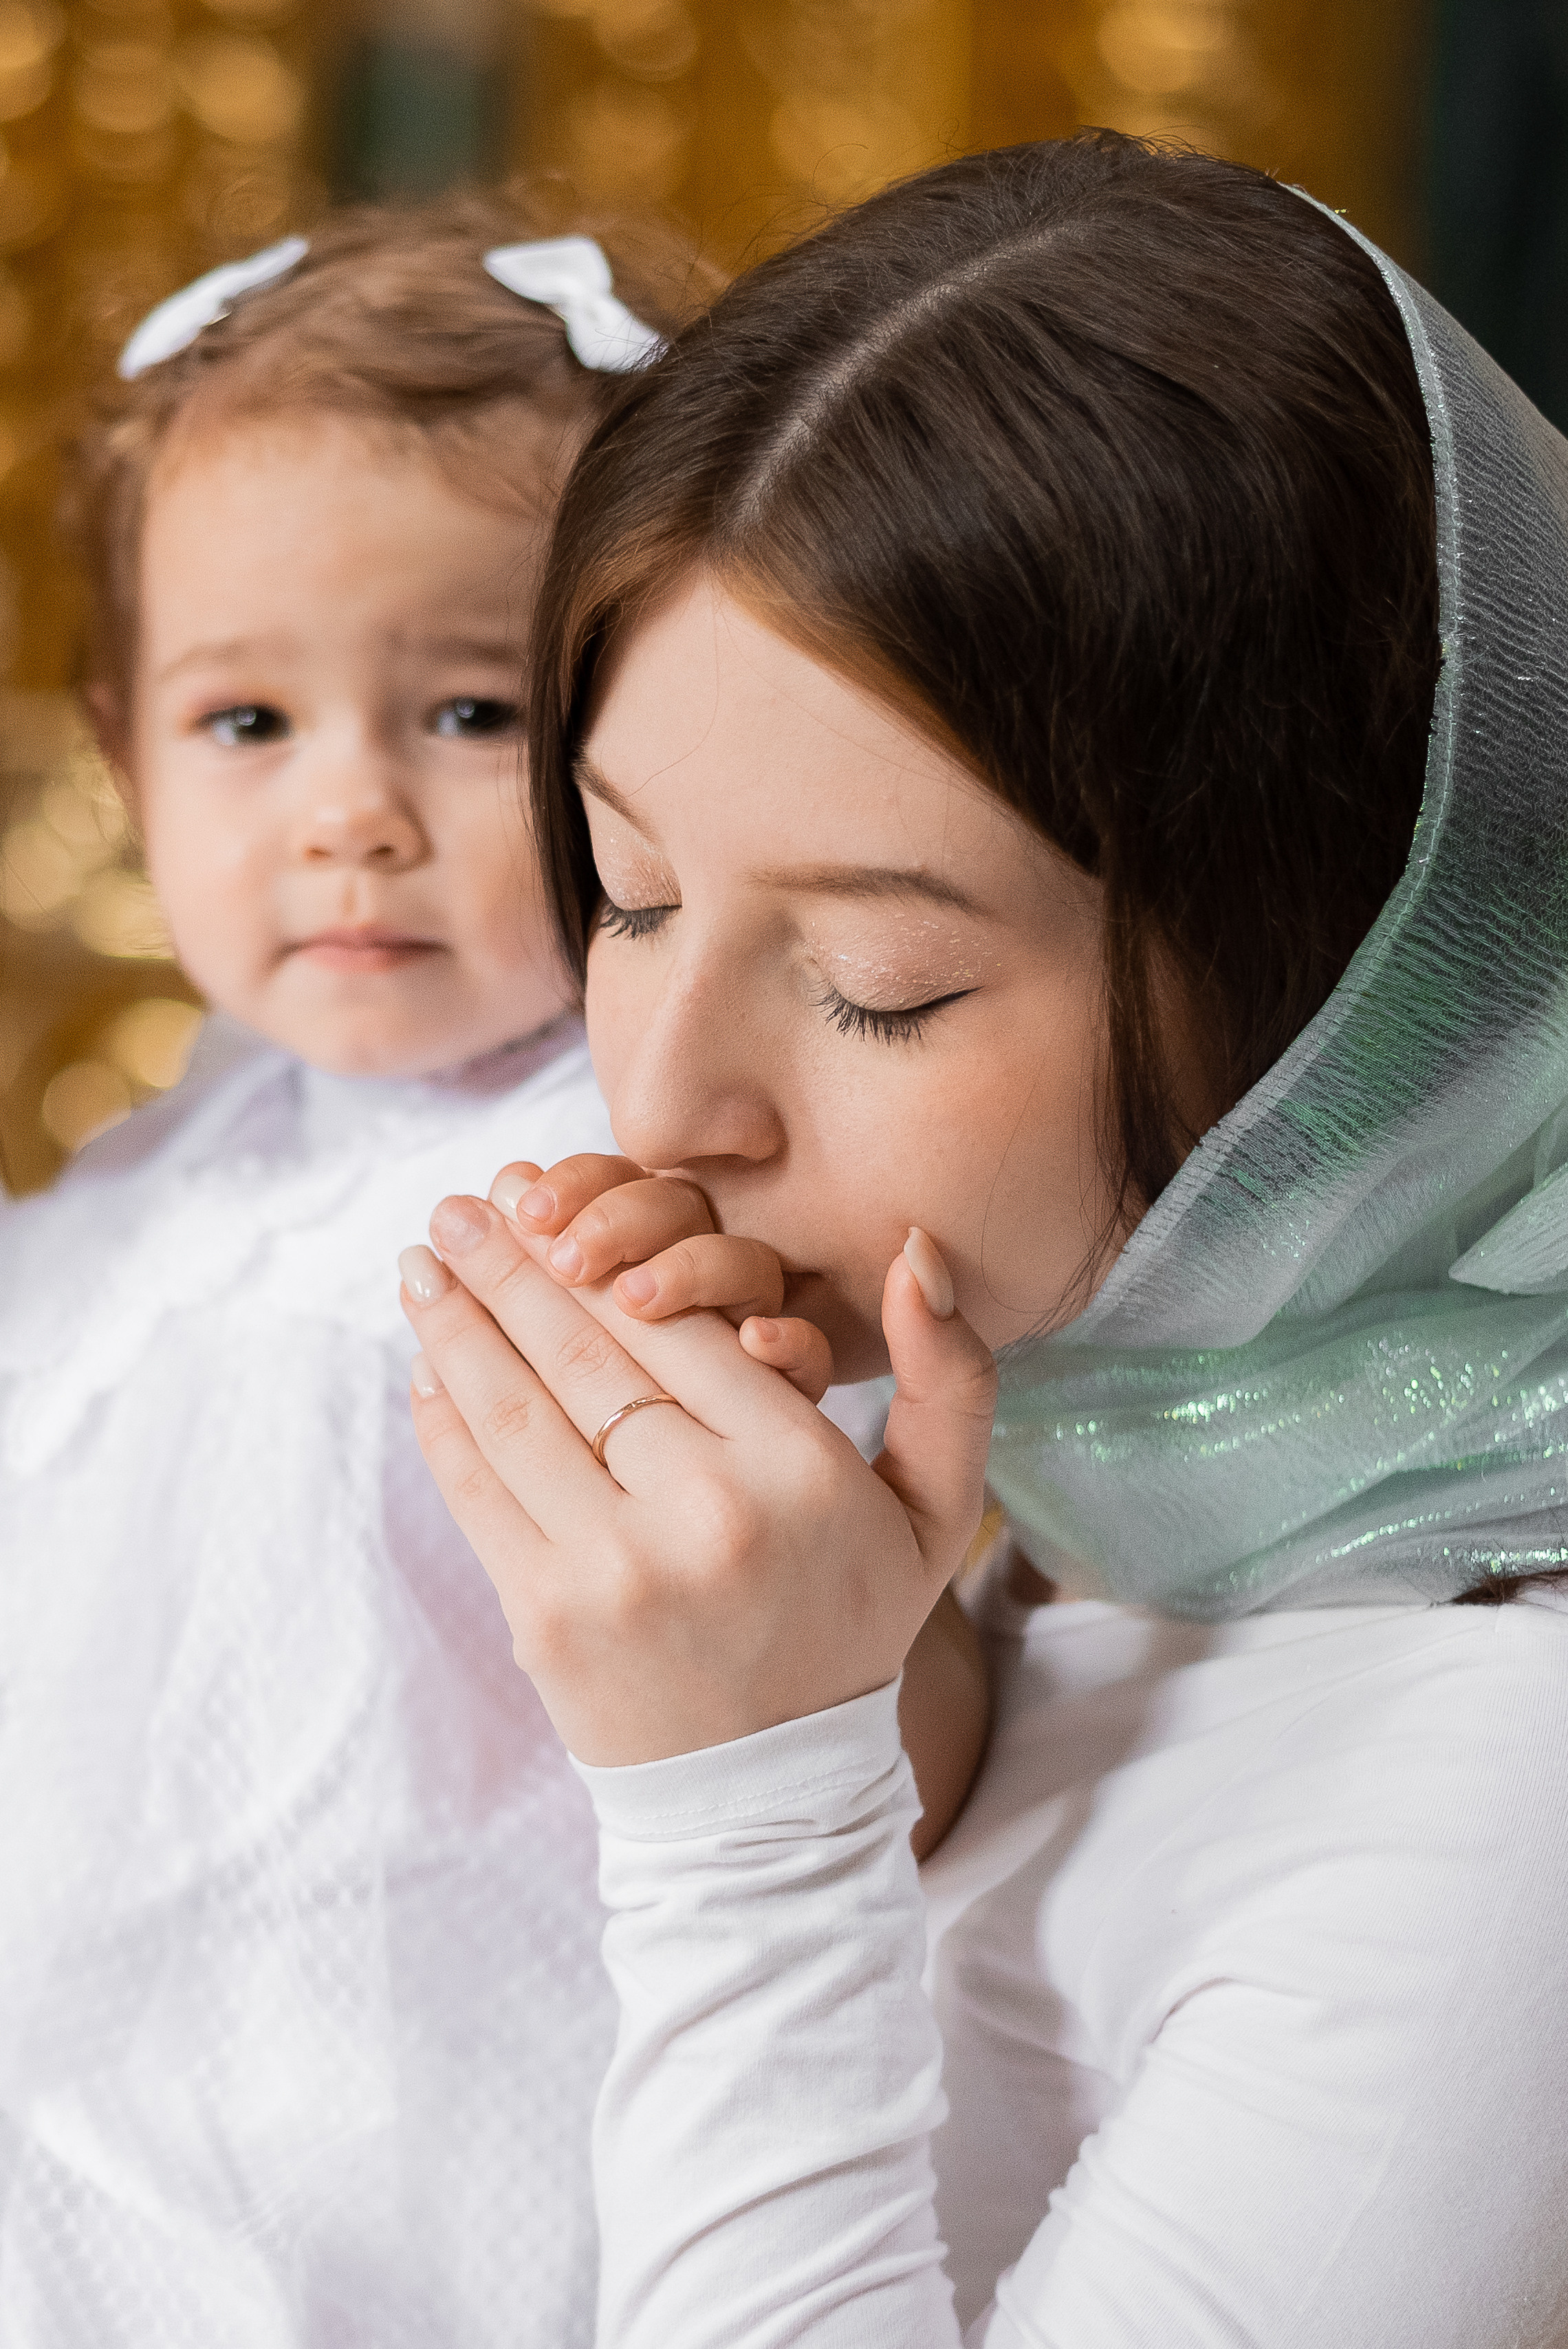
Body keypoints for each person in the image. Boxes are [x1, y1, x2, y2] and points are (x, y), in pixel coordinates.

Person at [401, 134, 1568, 2346]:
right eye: (633, 894)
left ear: (1350, 980)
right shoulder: (1098, 1467)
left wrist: (736, 1801)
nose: (661, 1102)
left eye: (880, 988)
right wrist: (884, 1685)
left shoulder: (1514, 1808)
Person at [0, 194, 986, 2346]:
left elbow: (874, 1727)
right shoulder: (134, 1205)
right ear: (117, 749)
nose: (347, 813)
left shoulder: (653, 1187)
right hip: (86, 2144)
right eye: (247, 723)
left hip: (421, 2136)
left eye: (463, 714)